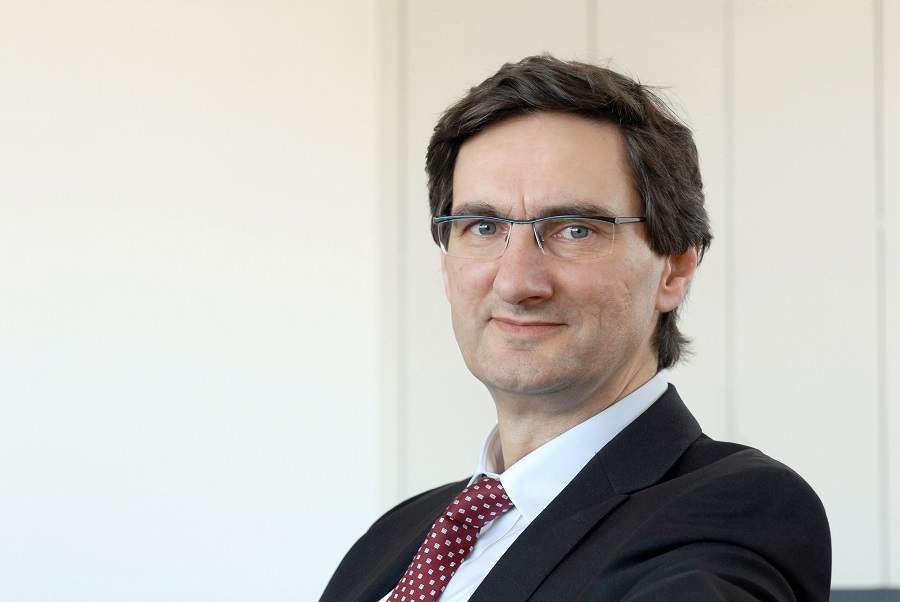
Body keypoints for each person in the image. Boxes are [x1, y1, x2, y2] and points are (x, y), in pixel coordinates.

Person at [320, 55, 830, 601]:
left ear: (674, 269)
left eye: (575, 230)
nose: (516, 282)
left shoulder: (737, 509)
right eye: (484, 226)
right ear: (446, 265)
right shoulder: (394, 538)